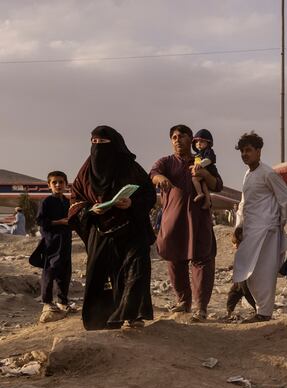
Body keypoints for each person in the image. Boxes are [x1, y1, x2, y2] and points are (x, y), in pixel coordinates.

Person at [69, 125, 156, 330]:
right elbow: (76, 199)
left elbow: (149, 194)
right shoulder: (85, 171)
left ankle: (132, 316)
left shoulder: (130, 168)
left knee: (134, 271)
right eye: (94, 142)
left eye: (102, 143)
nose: (97, 147)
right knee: (98, 275)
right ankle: (100, 320)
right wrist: (91, 209)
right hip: (101, 232)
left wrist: (131, 204)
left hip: (131, 229)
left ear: (114, 145)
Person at [150, 124, 224, 322]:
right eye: (173, 136)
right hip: (173, 220)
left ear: (190, 140)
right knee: (175, 259)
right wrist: (160, 178)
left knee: (202, 260)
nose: (177, 139)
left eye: (181, 136)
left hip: (199, 219)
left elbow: (217, 184)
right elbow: (153, 174)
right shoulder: (166, 162)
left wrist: (204, 174)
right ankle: (183, 302)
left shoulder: (201, 160)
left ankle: (201, 307)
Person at [231, 131, 287, 322]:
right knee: (249, 271)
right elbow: (243, 203)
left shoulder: (268, 173)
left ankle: (264, 313)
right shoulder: (247, 175)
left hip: (268, 230)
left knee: (264, 272)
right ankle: (260, 310)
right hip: (251, 231)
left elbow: (286, 198)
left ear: (258, 151)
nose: (245, 154)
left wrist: (278, 223)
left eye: (248, 150)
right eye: (242, 151)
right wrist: (238, 226)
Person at [33, 171, 74, 316]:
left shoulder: (68, 202)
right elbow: (41, 221)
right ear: (49, 185)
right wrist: (59, 222)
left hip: (66, 242)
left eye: (61, 182)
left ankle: (63, 302)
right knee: (50, 271)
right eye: (54, 182)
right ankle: (47, 302)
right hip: (51, 242)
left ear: (66, 184)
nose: (58, 185)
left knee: (65, 271)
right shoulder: (46, 202)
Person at [191, 129, 217, 210]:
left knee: (194, 179)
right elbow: (196, 162)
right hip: (202, 172)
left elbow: (208, 160)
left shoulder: (209, 151)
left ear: (208, 143)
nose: (199, 144)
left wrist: (199, 165)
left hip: (209, 171)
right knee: (204, 185)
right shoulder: (198, 154)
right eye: (197, 142)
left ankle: (200, 193)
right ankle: (207, 201)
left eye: (202, 141)